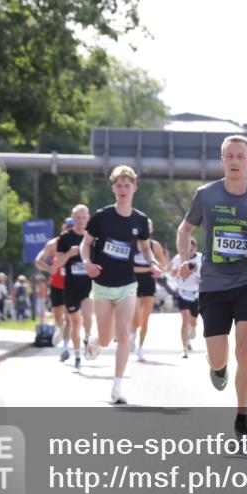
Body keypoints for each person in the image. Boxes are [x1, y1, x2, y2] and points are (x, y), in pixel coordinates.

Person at [177, 135, 247, 441]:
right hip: (214, 286)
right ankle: (217, 368)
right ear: (222, 161)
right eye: (228, 156)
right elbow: (185, 228)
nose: (234, 162)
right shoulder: (206, 195)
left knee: (245, 350)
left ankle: (242, 419)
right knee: (220, 358)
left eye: (239, 156)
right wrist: (186, 259)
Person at [80, 165, 160, 404]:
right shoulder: (102, 217)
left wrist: (153, 262)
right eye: (119, 185)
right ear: (113, 188)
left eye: (127, 185)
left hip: (127, 284)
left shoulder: (140, 220)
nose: (123, 189)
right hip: (103, 285)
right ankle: (96, 341)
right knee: (106, 339)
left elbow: (145, 247)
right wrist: (87, 263)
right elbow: (85, 244)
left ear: (134, 188)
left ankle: (117, 388)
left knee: (124, 332)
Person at [55, 206, 94, 369]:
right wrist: (68, 254)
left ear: (88, 218)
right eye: (77, 218)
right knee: (75, 322)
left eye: (83, 218)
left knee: (87, 316)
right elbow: (57, 263)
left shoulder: (93, 237)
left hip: (88, 285)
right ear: (72, 218)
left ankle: (87, 338)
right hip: (71, 286)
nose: (80, 221)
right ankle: (77, 355)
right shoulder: (65, 238)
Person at [34, 219, 73, 357]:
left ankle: (66, 345)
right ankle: (59, 328)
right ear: (63, 228)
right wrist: (49, 268)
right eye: (68, 227)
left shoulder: (79, 242)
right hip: (56, 284)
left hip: (73, 284)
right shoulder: (54, 243)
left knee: (70, 317)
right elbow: (38, 260)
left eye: (72, 227)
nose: (70, 229)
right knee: (58, 315)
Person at [130, 218, 168, 361]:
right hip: (132, 283)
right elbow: (129, 267)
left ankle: (140, 348)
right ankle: (132, 336)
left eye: (147, 229)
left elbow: (164, 265)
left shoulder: (154, 245)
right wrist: (149, 268)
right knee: (135, 319)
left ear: (150, 231)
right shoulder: (131, 244)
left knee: (145, 320)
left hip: (149, 284)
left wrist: (159, 268)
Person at [169, 237, 202, 357]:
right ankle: (184, 348)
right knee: (185, 318)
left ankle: (193, 328)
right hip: (182, 292)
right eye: (188, 250)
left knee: (193, 321)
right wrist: (175, 270)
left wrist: (201, 279)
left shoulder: (200, 258)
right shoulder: (179, 258)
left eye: (192, 250)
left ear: (195, 249)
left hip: (195, 293)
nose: (190, 252)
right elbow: (171, 272)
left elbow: (206, 275)